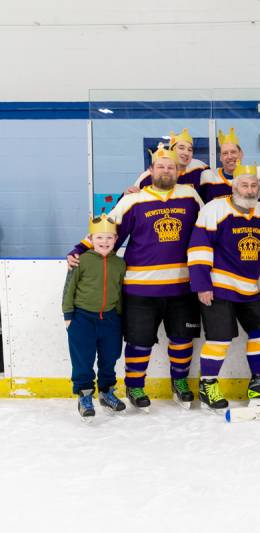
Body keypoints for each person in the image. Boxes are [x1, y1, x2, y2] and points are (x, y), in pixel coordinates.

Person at [67, 145, 204, 411]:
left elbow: (206, 229)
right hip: (141, 289)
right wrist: (79, 249)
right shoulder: (133, 200)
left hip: (182, 286)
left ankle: (179, 382)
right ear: (150, 171)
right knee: (139, 341)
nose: (166, 170)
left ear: (179, 171)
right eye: (161, 166)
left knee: (182, 339)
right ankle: (134, 385)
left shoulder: (190, 197)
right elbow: (106, 229)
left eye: (171, 167)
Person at [187, 162, 260, 411]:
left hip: (249, 288)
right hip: (218, 286)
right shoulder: (214, 209)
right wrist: (202, 285)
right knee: (219, 338)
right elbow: (198, 247)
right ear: (233, 185)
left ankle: (259, 383)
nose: (249, 190)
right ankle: (208, 386)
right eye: (244, 185)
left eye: (253, 186)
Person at [62, 214, 126, 420]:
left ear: (116, 240)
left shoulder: (120, 263)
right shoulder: (80, 260)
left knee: (110, 357)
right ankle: (84, 395)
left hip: (110, 319)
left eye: (109, 238)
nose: (104, 242)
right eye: (99, 238)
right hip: (82, 319)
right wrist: (68, 315)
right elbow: (68, 288)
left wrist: (119, 316)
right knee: (83, 359)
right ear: (91, 239)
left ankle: (107, 392)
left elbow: (120, 292)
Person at [199, 128, 260, 202]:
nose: (230, 157)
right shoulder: (208, 177)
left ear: (241, 154)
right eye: (225, 153)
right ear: (220, 158)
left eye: (233, 152)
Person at [130, 128, 208, 192]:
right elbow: (128, 198)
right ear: (172, 150)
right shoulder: (150, 175)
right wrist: (128, 194)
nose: (186, 153)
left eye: (190, 150)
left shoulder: (200, 166)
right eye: (181, 148)